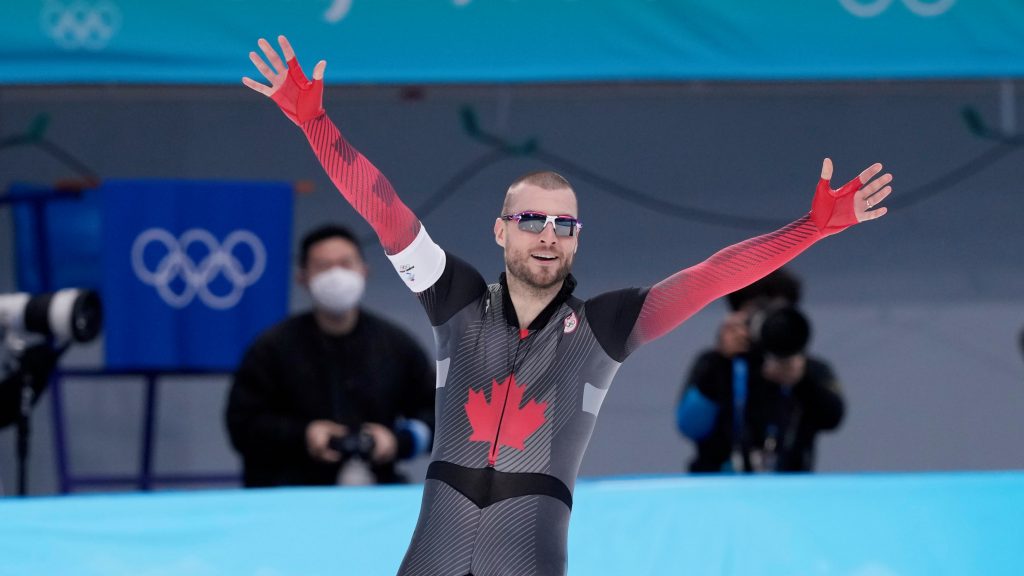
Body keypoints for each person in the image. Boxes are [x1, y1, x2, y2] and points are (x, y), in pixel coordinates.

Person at [243, 35, 892, 576]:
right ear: (501, 230)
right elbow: (385, 211)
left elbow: (711, 278)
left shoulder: (607, 326)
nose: (548, 234)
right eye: (532, 219)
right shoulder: (455, 297)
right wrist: (316, 125)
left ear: (578, 237)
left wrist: (807, 230)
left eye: (563, 224)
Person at [225, 224, 436, 487]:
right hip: (289, 493)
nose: (336, 274)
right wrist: (303, 435)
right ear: (303, 277)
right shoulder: (271, 348)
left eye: (346, 263)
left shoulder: (397, 345)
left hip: (377, 493)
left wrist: (398, 440)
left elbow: (439, 413)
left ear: (364, 271)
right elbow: (242, 425)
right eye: (323, 266)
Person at [676, 304, 844, 473]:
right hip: (719, 484)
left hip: (790, 486)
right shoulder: (715, 364)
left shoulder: (809, 369)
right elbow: (691, 426)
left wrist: (802, 382)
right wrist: (721, 363)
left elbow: (832, 418)